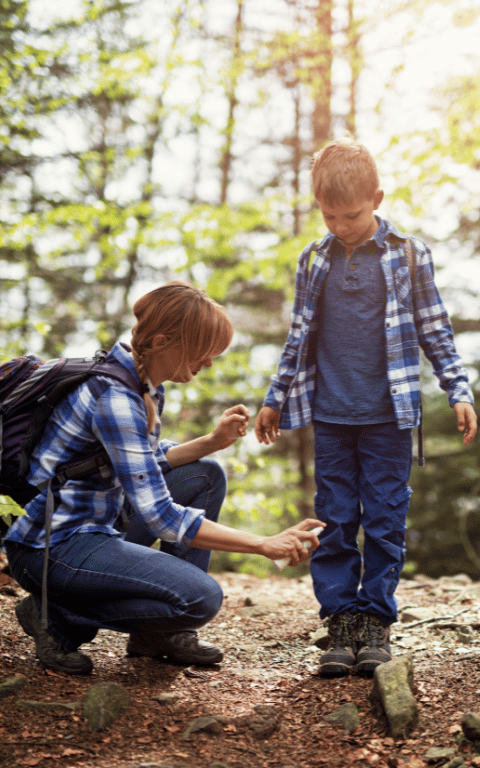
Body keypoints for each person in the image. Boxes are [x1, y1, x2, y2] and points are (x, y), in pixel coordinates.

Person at [4, 281, 322, 676]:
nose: (209, 362)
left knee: (204, 476)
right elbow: (162, 517)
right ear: (163, 341)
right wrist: (263, 544)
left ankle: (158, 636)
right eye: (204, 351)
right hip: (52, 546)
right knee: (199, 599)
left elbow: (144, 463)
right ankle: (55, 617)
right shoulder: (116, 397)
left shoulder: (142, 385)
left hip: (97, 524)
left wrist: (212, 441)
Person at [255, 138, 477, 678]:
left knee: (383, 518)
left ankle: (374, 618)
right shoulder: (314, 259)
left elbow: (434, 328)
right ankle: (340, 618)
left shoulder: (407, 254)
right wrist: (274, 398)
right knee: (333, 517)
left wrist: (459, 389)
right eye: (329, 215)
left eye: (351, 214)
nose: (340, 225)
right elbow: (298, 337)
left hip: (389, 418)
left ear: (376, 198)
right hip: (330, 416)